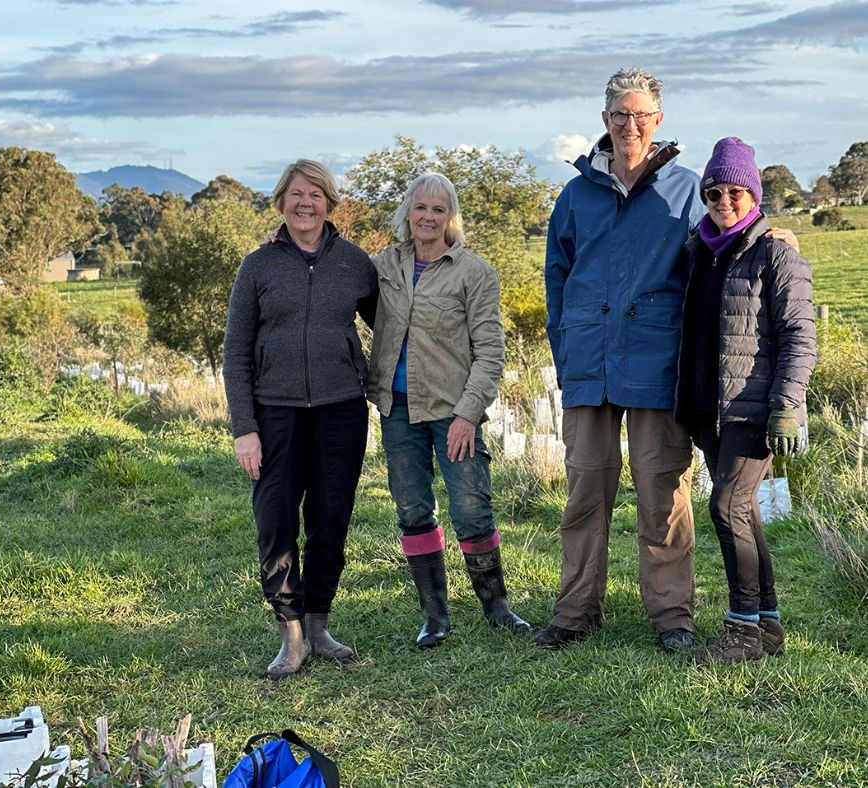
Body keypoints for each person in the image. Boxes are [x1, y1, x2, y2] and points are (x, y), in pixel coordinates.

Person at [539, 68, 704, 653]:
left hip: (659, 365)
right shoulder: (577, 193)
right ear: (604, 121)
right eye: (618, 115)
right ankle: (576, 611)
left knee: (663, 492)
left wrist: (775, 235)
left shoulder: (686, 190)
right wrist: (566, 352)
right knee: (585, 492)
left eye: (640, 115)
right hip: (589, 362)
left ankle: (672, 617)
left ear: (658, 120)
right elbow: (556, 279)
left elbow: (725, 248)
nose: (629, 125)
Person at [223, 159, 378, 680]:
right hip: (274, 413)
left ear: (330, 201)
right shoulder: (258, 266)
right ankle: (290, 632)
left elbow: (392, 331)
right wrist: (245, 428)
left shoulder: (357, 265)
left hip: (341, 412)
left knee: (331, 519)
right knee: (276, 522)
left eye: (315, 193)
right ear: (281, 202)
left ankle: (318, 624)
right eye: (295, 194)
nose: (305, 202)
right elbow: (236, 352)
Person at [367, 172, 530, 648]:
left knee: (471, 507)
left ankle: (497, 607)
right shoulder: (383, 267)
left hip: (454, 410)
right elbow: (333, 268)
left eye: (439, 209)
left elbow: (491, 352)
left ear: (451, 217)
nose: (428, 217)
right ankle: (434, 616)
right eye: (421, 207)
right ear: (407, 213)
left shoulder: (474, 273)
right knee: (413, 508)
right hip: (397, 409)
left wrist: (468, 414)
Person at [677, 137, 816, 662]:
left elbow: (801, 337)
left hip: (755, 408)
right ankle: (768, 625)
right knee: (743, 513)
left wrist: (787, 404)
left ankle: (741, 630)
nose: (724, 201)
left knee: (727, 506)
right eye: (714, 192)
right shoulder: (698, 251)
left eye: (736, 191)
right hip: (708, 405)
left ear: (754, 194)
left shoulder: (777, 254)